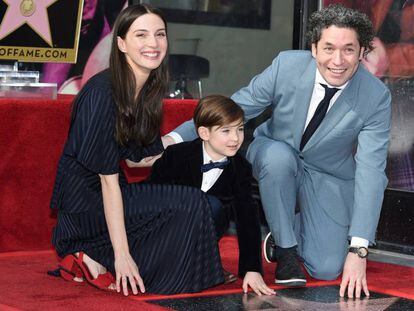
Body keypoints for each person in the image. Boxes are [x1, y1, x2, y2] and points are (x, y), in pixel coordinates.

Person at [164, 4, 391, 299]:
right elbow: (236, 107)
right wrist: (173, 138)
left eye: (349, 50)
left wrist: (359, 250)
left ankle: (284, 230)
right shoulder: (287, 65)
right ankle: (285, 251)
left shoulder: (376, 96)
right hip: (275, 154)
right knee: (279, 158)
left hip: (328, 174)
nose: (337, 60)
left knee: (325, 268)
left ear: (362, 52)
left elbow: (371, 171)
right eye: (328, 48)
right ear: (313, 48)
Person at [50, 4, 224, 296]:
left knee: (205, 202)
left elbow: (140, 158)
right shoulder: (102, 93)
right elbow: (107, 181)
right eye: (141, 35)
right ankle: (96, 253)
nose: (152, 44)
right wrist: (122, 255)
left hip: (111, 194)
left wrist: (202, 146)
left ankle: (98, 258)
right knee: (191, 203)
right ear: (121, 43)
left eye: (159, 34)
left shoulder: (145, 88)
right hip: (85, 209)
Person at [149, 95, 275, 296]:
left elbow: (247, 218)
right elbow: (148, 199)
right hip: (162, 233)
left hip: (203, 238)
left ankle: (198, 263)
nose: (235, 138)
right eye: (226, 131)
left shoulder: (240, 168)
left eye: (240, 129)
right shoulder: (176, 156)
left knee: (214, 207)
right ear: (204, 133)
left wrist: (251, 269)